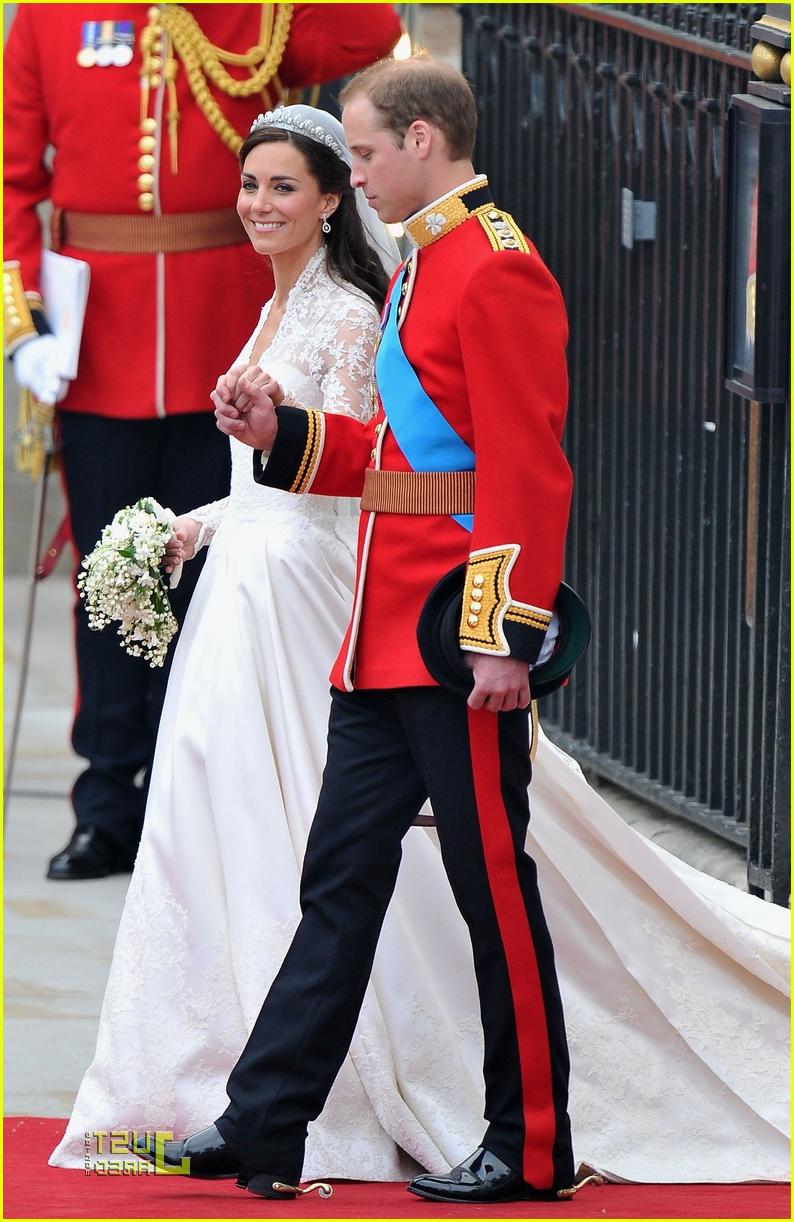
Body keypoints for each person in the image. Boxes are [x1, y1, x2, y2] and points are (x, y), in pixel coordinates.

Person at [50, 94, 789, 1196]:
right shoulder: (424, 261)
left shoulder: (491, 264)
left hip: (452, 641)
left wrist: (502, 640)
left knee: (490, 892)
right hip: (378, 638)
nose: (355, 173)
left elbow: (523, 471)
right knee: (336, 883)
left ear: (420, 144)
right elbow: (400, 454)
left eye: (360, 154)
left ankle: (532, 1143)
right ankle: (267, 1119)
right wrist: (283, 436)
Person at [3, 2, 401, 881]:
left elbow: (369, 34)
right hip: (97, 342)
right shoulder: (47, 18)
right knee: (116, 573)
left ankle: (198, 795)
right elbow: (12, 178)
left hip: (225, 338)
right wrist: (21, 319)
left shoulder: (249, 14)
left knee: (217, 577)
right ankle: (107, 802)